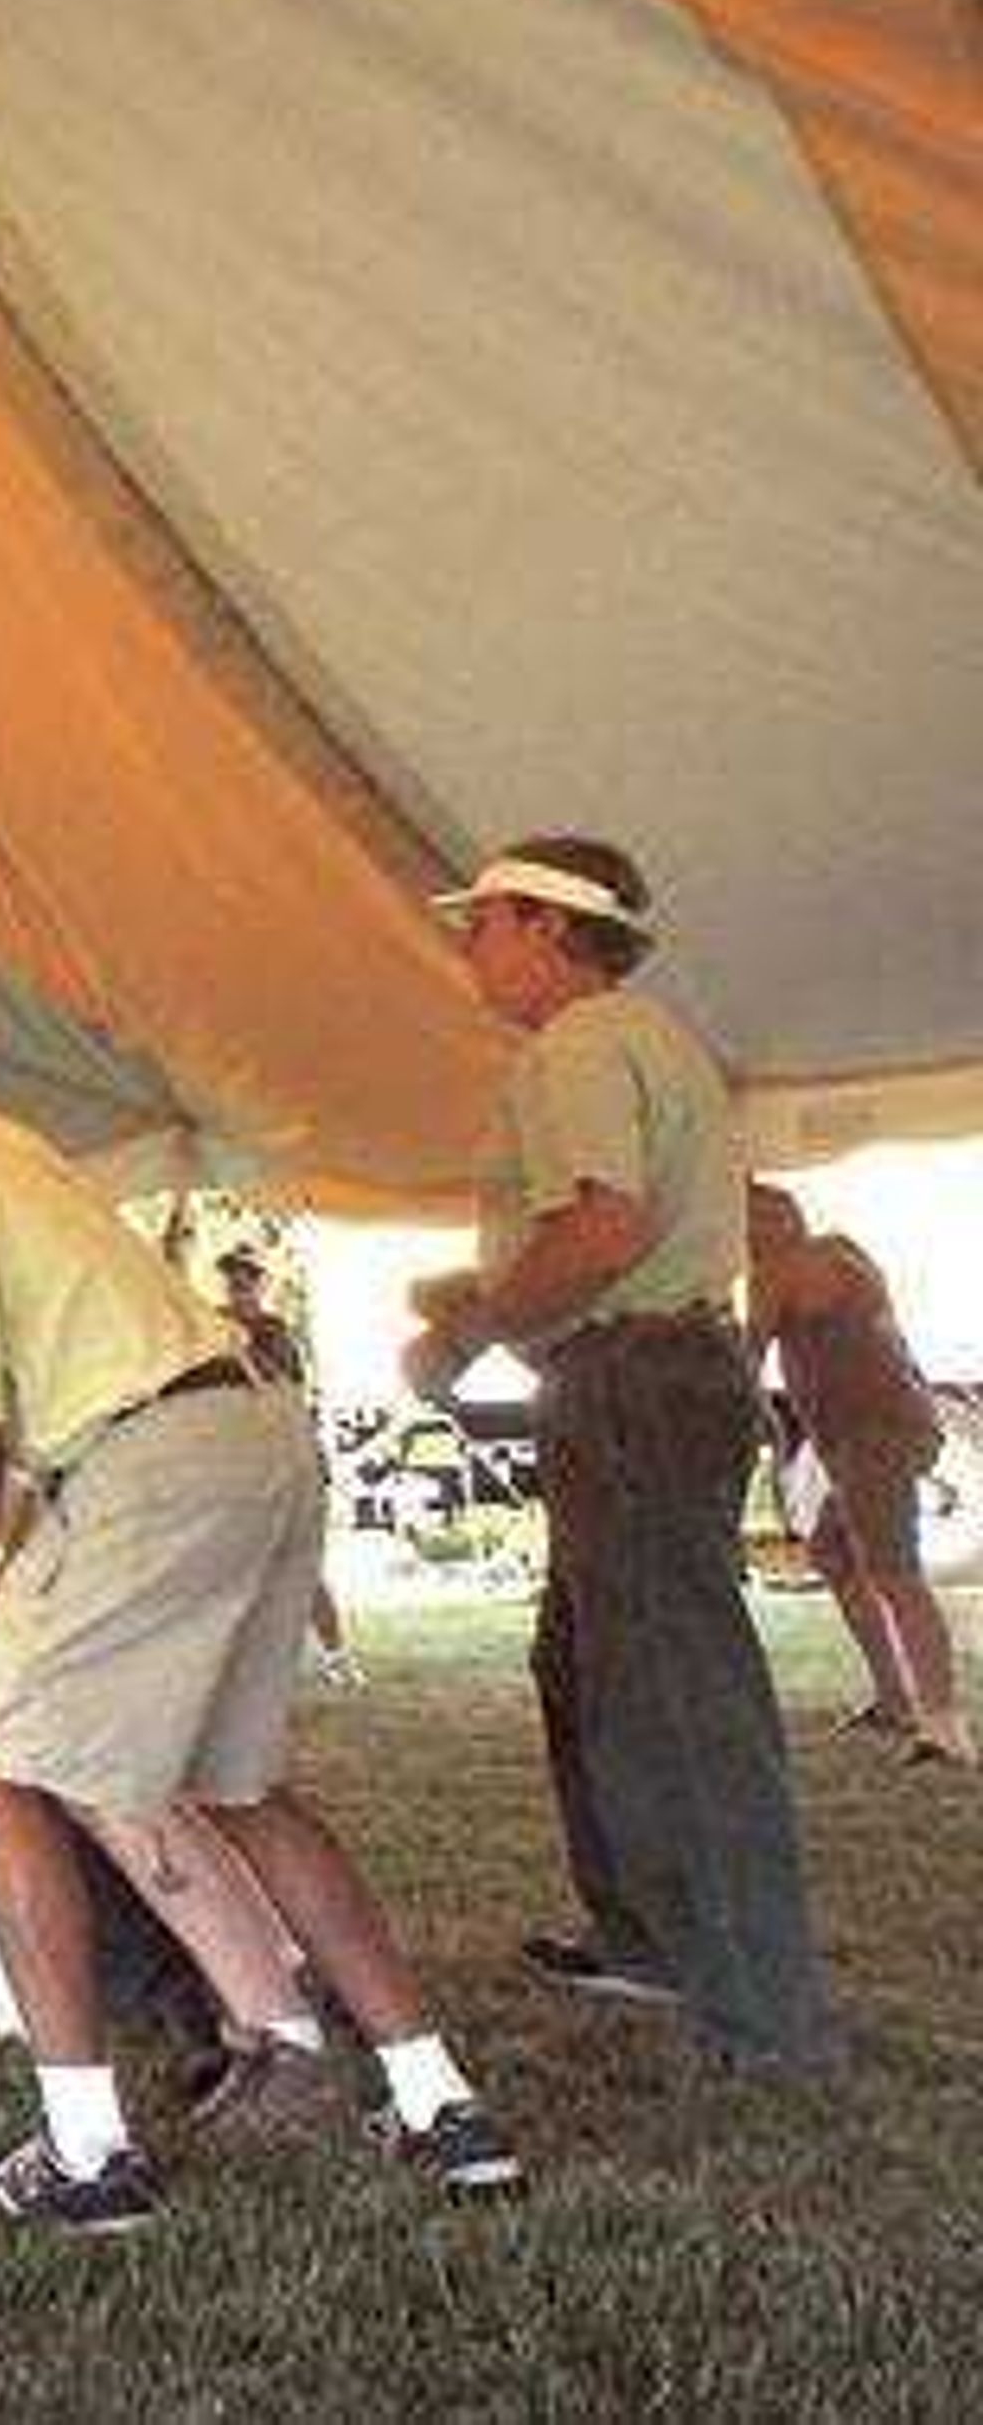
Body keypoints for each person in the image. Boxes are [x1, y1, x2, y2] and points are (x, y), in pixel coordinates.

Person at [0, 1070, 518, 2231]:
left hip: (147, 1457)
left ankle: (87, 2146)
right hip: (250, 1432)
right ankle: (439, 2101)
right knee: (245, 1785)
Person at [406, 839, 840, 2069]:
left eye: (483, 921)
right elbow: (621, 1235)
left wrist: (472, 1331)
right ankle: (650, 1938)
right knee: (594, 1662)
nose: (467, 945)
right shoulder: (647, 1039)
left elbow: (601, 1232)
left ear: (552, 928)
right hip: (652, 1367)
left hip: (632, 1377)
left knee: (674, 1691)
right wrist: (483, 1289)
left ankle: (764, 2014)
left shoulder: (581, 1045)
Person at [749, 1183, 965, 1765]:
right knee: (836, 1551)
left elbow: (745, 1354)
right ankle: (896, 1701)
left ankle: (943, 1725)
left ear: (764, 1226)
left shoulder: (786, 1268)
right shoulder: (844, 1253)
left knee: (894, 1571)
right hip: (882, 1431)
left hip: (877, 1436)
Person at [219, 1251, 358, 1687]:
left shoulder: (275, 1332)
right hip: (234, 1459)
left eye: (246, 1280)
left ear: (260, 1285)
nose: (238, 1287)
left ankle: (337, 1655)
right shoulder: (214, 1325)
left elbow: (287, 1389)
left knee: (303, 1563)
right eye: (232, 1279)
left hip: (280, 1454)